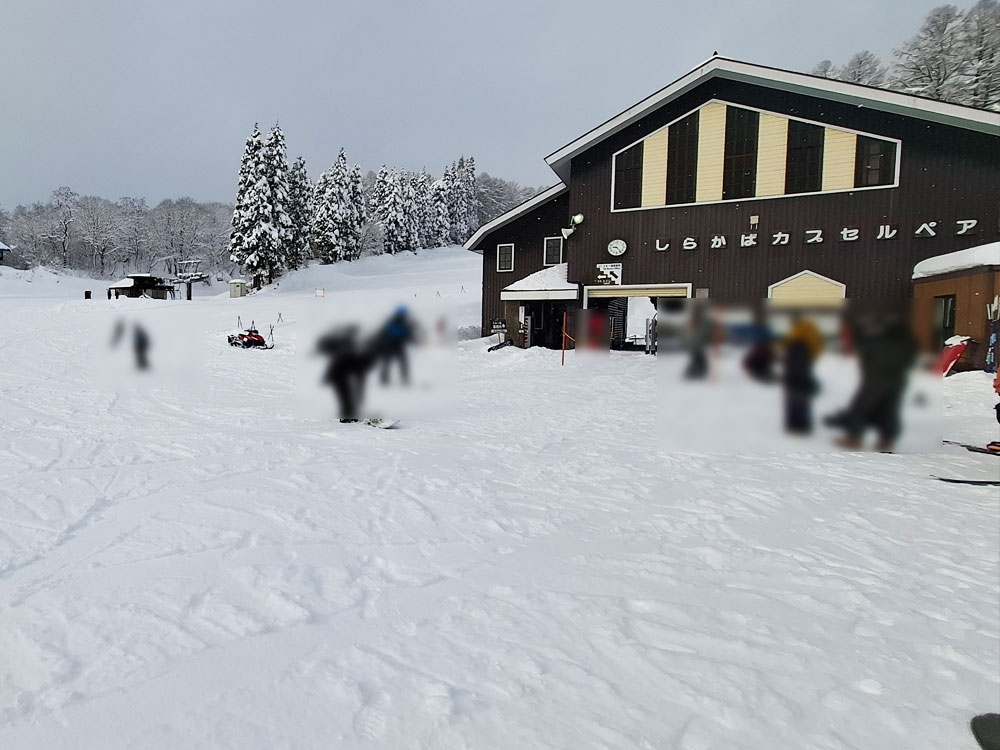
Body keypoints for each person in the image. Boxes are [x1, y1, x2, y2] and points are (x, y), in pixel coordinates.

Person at [828, 306, 917, 452]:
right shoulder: (904, 341)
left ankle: (854, 438)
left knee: (862, 407)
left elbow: (879, 359)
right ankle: (885, 440)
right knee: (888, 410)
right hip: (894, 380)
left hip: (879, 380)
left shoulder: (886, 342)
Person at [318, 327, 375, 423]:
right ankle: (346, 416)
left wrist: (360, 392)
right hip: (337, 374)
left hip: (341, 373)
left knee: (349, 394)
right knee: (345, 394)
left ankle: (350, 415)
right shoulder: (354, 355)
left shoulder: (361, 360)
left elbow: (361, 378)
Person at [782, 316, 823, 434]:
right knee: (802, 401)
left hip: (795, 379)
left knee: (795, 400)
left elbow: (793, 364)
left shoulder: (796, 342)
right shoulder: (808, 339)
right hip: (802, 378)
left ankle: (796, 425)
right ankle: (801, 424)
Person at [375, 306, 416, 386]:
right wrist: (413, 341)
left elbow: (382, 333)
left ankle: (384, 379)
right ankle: (404, 379)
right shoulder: (404, 323)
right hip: (396, 346)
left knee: (387, 362)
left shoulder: (391, 321)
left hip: (389, 345)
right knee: (402, 363)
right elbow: (408, 335)